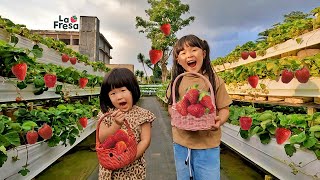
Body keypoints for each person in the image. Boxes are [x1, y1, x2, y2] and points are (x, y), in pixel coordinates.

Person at [166, 34, 232, 180]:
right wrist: (176, 115)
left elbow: (224, 109)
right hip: (181, 142)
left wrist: (219, 121)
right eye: (183, 53)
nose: (189, 55)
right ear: (178, 60)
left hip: (207, 143)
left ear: (203, 53)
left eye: (193, 50)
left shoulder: (215, 81)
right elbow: (171, 106)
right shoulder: (176, 82)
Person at [98, 68, 156, 180]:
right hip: (109, 169)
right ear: (108, 96)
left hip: (132, 169)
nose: (119, 96)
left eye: (123, 90)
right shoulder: (107, 114)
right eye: (113, 93)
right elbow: (101, 138)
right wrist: (116, 125)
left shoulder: (143, 115)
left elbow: (145, 140)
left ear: (132, 90)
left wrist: (129, 157)